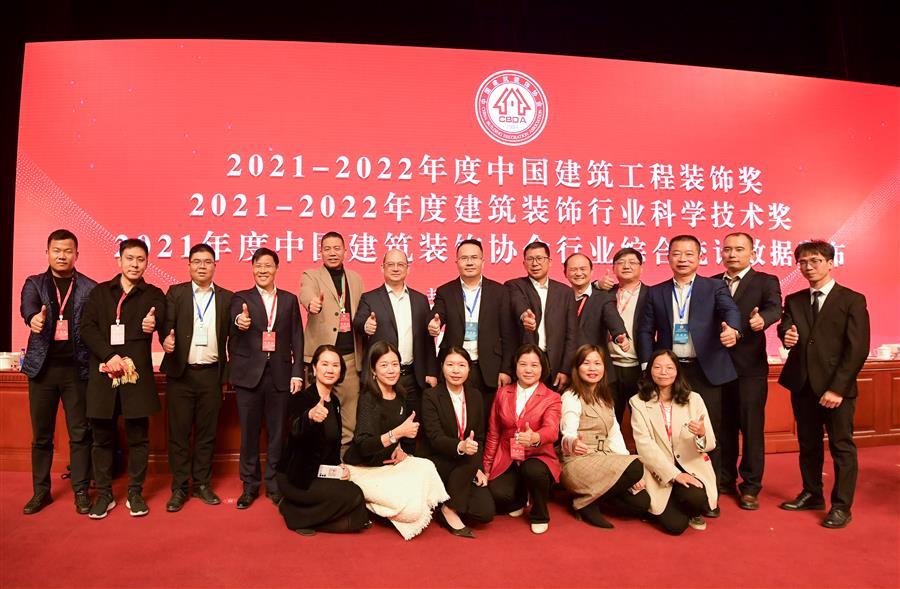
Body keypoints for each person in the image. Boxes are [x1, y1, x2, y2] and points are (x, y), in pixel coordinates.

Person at [636, 234, 740, 516]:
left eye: (689, 254)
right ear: (668, 257)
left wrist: (733, 329)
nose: (682, 259)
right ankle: (674, 486)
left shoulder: (715, 287)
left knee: (708, 431)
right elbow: (645, 330)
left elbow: (730, 310)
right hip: (670, 371)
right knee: (668, 430)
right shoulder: (656, 292)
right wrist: (647, 365)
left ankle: (710, 495)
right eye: (677, 254)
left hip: (705, 370)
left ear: (700, 258)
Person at [777, 240, 869, 529]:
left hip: (836, 389)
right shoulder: (794, 299)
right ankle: (812, 493)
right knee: (808, 445)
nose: (808, 267)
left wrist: (837, 388)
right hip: (803, 384)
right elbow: (786, 326)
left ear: (830, 263)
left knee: (841, 447)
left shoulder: (852, 299)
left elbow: (857, 349)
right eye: (803, 262)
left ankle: (841, 506)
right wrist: (786, 334)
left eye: (815, 261)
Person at [80, 238, 166, 519]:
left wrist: (154, 323)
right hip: (103, 375)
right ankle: (105, 494)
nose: (135, 264)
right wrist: (108, 355)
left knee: (139, 438)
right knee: (101, 439)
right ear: (119, 260)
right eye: (130, 258)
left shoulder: (154, 294)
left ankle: (135, 493)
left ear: (147, 262)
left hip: (136, 377)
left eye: (141, 259)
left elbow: (162, 320)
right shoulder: (100, 292)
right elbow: (87, 328)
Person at [19, 229, 97, 515]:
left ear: (76, 254)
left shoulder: (89, 287)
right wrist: (33, 319)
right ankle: (41, 491)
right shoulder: (34, 283)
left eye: (67, 251)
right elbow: (27, 307)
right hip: (43, 371)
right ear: (47, 253)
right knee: (42, 436)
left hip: (77, 372)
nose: (62, 255)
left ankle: (81, 491)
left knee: (80, 434)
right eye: (56, 250)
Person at [343, 341, 449, 540]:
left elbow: (400, 436)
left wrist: (401, 450)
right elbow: (363, 446)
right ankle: (367, 501)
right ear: (373, 370)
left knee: (427, 467)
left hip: (388, 464)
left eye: (395, 364)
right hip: (364, 467)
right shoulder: (368, 398)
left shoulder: (400, 394)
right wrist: (396, 434)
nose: (391, 370)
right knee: (412, 511)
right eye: (384, 365)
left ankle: (380, 500)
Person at [159, 243, 233, 512]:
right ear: (189, 265)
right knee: (178, 434)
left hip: (211, 375)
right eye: (197, 261)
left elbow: (234, 336)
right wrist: (165, 339)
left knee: (206, 434)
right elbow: (166, 325)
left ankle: (202, 484)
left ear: (215, 266)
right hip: (181, 374)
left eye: (207, 262)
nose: (202, 266)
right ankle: (179, 487)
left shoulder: (227, 297)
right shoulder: (175, 293)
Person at [229, 247, 304, 509]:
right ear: (252, 268)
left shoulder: (289, 300)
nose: (263, 270)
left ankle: (273, 484)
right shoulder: (241, 298)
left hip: (280, 375)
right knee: (249, 433)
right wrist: (240, 321)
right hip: (249, 376)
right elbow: (236, 320)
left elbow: (297, 338)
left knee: (277, 433)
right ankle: (249, 486)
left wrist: (297, 373)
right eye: (258, 266)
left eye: (268, 266)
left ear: (276, 269)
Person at [712, 233, 782, 510]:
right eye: (727, 249)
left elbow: (775, 308)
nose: (732, 254)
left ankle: (751, 486)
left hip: (749, 368)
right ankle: (725, 479)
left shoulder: (765, 281)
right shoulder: (712, 282)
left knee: (751, 428)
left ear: (752, 254)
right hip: (717, 367)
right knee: (722, 427)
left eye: (739, 249)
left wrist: (762, 319)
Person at [275, 345, 369, 536]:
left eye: (335, 365)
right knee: (354, 495)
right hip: (297, 477)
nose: (330, 369)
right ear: (314, 368)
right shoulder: (301, 399)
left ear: (341, 371)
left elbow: (332, 444)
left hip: (320, 474)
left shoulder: (334, 402)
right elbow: (294, 429)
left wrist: (338, 466)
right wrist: (309, 417)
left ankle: (300, 511)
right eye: (324, 364)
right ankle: (294, 514)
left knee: (358, 517)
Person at [559, 344, 650, 528]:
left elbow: (615, 436)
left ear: (604, 368)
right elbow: (567, 431)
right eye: (586, 363)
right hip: (579, 462)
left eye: (597, 363)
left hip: (605, 459)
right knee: (636, 467)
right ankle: (584, 504)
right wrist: (572, 442)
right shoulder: (571, 396)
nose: (592, 368)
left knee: (641, 503)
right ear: (577, 368)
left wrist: (628, 472)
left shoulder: (606, 398)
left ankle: (590, 497)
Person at [630, 350, 718, 535]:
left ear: (677, 371)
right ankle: (669, 504)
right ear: (650, 370)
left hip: (690, 464)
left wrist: (701, 434)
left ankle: (690, 508)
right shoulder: (638, 402)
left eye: (669, 367)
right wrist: (675, 475)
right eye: (658, 367)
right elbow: (644, 446)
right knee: (675, 527)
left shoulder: (694, 399)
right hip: (659, 469)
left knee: (696, 497)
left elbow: (710, 444)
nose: (664, 372)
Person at [483, 344, 562, 534]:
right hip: (507, 456)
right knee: (496, 494)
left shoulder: (552, 397)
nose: (528, 370)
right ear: (515, 366)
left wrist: (535, 437)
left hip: (537, 456)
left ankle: (539, 514)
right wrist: (486, 468)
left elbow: (552, 430)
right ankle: (520, 499)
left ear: (542, 368)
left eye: (534, 365)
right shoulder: (502, 393)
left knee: (533, 471)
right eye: (523, 364)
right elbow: (493, 433)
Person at [430, 239, 515, 412]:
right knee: (456, 417)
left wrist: (506, 369)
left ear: (483, 262)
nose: (469, 262)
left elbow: (508, 334)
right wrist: (433, 323)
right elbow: (437, 315)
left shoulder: (499, 292)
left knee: (487, 418)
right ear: (457, 262)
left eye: (474, 258)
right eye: (464, 258)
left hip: (489, 368)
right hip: (455, 367)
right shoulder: (445, 291)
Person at [421, 347, 496, 538]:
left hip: (466, 464)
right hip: (440, 460)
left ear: (469, 369)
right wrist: (460, 447)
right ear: (442, 367)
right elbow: (435, 438)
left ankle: (447, 502)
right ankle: (450, 509)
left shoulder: (475, 396)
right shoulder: (431, 396)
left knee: (485, 512)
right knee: (469, 459)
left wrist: (477, 468)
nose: (456, 370)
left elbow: (479, 438)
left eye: (461, 365)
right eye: (450, 365)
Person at [299, 232, 364, 452]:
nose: (332, 253)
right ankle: (317, 460)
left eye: (337, 248)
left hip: (349, 358)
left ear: (345, 251)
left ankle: (344, 459)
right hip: (321, 358)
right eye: (327, 248)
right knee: (316, 413)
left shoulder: (355, 279)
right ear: (320, 252)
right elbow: (305, 294)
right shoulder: (311, 276)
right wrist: (312, 304)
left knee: (350, 416)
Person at [354, 249, 438, 419]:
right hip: (381, 378)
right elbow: (358, 322)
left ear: (408, 268)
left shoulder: (420, 300)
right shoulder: (369, 298)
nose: (395, 268)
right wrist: (365, 326)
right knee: (382, 425)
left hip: (413, 377)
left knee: (414, 424)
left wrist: (431, 371)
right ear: (382, 268)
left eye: (400, 264)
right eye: (390, 264)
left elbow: (427, 341)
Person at [505, 241, 579, 390]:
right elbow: (518, 302)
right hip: (525, 363)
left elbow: (571, 334)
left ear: (549, 261)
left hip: (554, 364)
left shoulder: (565, 292)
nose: (535, 263)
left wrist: (565, 369)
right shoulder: (514, 285)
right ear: (524, 263)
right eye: (530, 259)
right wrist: (524, 316)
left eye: (540, 258)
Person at [563, 253, 628, 386]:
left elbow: (612, 318)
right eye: (573, 269)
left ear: (592, 271)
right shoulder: (559, 298)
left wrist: (619, 335)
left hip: (596, 371)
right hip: (567, 371)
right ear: (565, 273)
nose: (578, 273)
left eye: (583, 269)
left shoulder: (603, 298)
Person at [606, 248, 650, 424]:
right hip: (609, 366)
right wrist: (597, 284)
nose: (626, 266)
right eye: (621, 262)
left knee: (642, 420)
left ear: (641, 268)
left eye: (632, 262)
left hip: (639, 367)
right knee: (609, 419)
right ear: (613, 268)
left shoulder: (652, 294)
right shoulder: (604, 293)